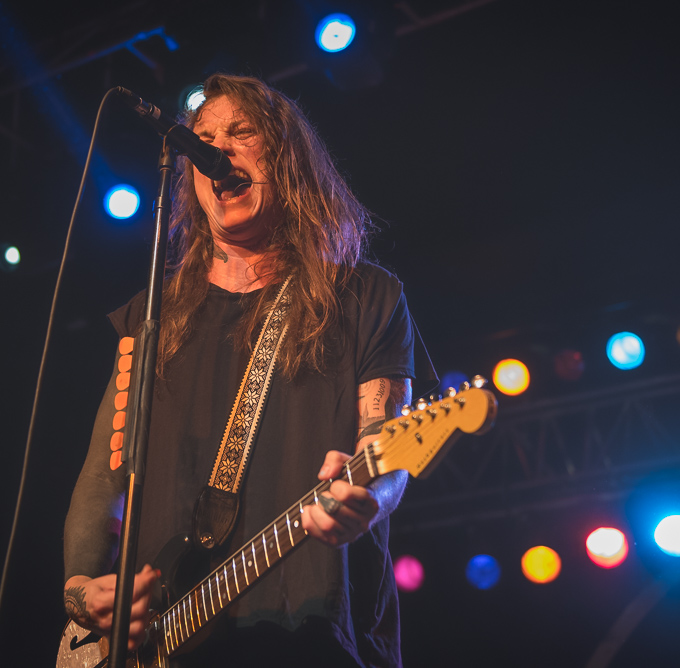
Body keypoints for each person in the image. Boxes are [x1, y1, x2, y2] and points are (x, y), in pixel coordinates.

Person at [62, 73, 436, 667]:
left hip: (312, 632)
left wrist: (369, 494)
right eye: (203, 138)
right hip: (165, 640)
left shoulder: (364, 296)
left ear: (286, 157)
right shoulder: (153, 316)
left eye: (242, 132)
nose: (219, 149)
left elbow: (384, 441)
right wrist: (82, 592)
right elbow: (104, 477)